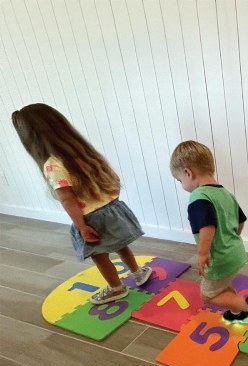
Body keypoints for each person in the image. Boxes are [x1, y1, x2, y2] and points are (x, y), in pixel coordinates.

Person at [11, 103, 152, 305]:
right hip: (113, 208)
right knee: (121, 245)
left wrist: (82, 226)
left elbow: (67, 199)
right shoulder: (82, 150)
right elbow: (112, 176)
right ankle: (138, 273)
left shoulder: (53, 165)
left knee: (99, 255)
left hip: (91, 218)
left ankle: (116, 288)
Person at [170, 140, 248, 323]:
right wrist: (231, 238)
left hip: (219, 259)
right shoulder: (225, 193)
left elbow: (207, 226)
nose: (182, 185)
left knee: (208, 294)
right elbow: (240, 221)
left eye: (179, 180)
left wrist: (202, 253)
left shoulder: (198, 196)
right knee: (221, 287)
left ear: (188, 173)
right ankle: (237, 312)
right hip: (235, 253)